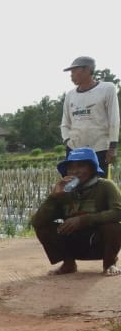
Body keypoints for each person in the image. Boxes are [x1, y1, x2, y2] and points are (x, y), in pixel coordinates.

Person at [30, 147, 121, 277]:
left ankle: (110, 264)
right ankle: (68, 264)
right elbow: (37, 221)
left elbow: (118, 212)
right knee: (44, 227)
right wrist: (53, 197)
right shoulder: (64, 192)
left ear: (92, 169)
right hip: (73, 242)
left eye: (80, 166)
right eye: (71, 168)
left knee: (113, 226)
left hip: (98, 242)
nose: (75, 171)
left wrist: (83, 220)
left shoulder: (106, 186)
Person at [61, 56, 119, 174]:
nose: (71, 75)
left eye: (74, 71)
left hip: (99, 148)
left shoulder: (107, 89)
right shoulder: (70, 95)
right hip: (75, 150)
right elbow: (65, 124)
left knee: (99, 184)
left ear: (87, 70)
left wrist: (112, 147)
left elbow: (114, 119)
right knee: (73, 185)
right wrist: (68, 141)